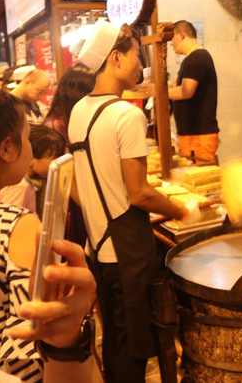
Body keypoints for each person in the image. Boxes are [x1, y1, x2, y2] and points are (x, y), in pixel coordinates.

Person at [69, 19, 198, 383]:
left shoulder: (79, 110)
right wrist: (181, 210)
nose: (141, 64)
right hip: (127, 255)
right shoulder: (126, 114)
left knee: (116, 339)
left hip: (99, 249)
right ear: (116, 59)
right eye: (136, 55)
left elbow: (78, 184)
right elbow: (139, 192)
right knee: (134, 350)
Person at [0, 89, 97, 383]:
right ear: (7, 149)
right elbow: (25, 352)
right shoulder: (17, 225)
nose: (30, 149)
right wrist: (67, 341)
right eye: (28, 137)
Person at [44, 64, 96, 247]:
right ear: (80, 94)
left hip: (81, 200)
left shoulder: (73, 121)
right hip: (70, 207)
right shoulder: (55, 127)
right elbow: (64, 180)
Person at [169, 20, 220, 161]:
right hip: (189, 133)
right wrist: (150, 87)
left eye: (172, 38)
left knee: (201, 173)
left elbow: (185, 92)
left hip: (199, 134)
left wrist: (157, 92)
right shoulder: (188, 60)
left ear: (181, 35)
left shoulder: (197, 57)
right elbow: (174, 87)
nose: (171, 44)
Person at [0, 125, 66, 213]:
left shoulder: (23, 183)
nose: (58, 163)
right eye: (54, 158)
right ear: (32, 159)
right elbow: (8, 217)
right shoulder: (20, 187)